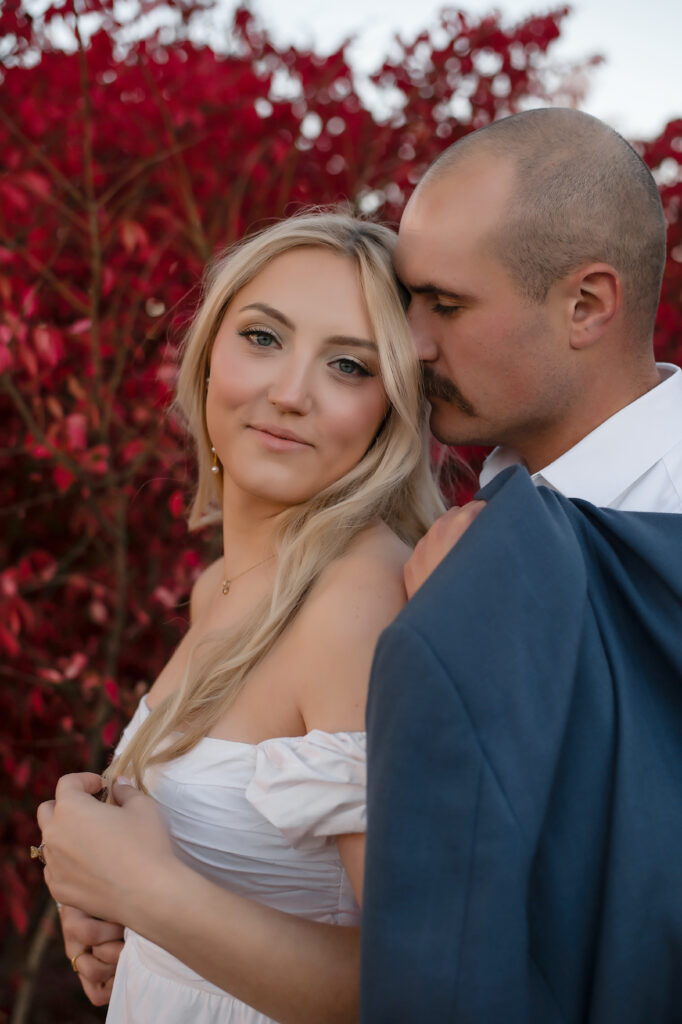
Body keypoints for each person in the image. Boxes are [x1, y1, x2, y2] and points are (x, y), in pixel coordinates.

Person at [36, 210, 444, 1023]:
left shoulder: (356, 605)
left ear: (393, 407)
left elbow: (420, 987)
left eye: (348, 365)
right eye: (263, 338)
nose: (290, 393)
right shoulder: (224, 579)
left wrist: (144, 892)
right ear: (209, 353)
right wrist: (115, 913)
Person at [360, 107, 682, 1022]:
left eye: (446, 305)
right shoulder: (439, 522)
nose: (412, 344)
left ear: (586, 304)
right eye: (406, 301)